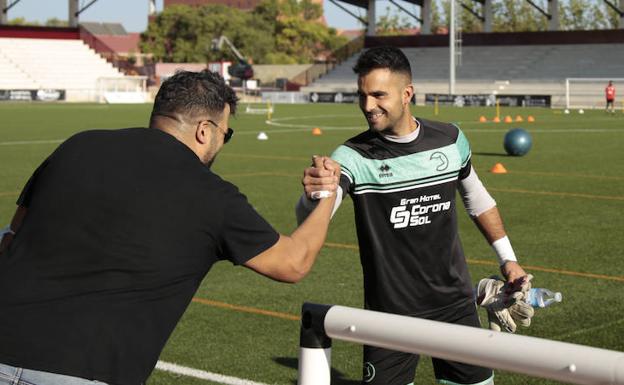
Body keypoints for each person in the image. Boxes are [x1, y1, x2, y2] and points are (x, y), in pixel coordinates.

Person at [0, 70, 339, 385]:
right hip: (84, 370)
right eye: (226, 133)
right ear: (204, 130)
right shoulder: (211, 195)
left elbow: (12, 236)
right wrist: (328, 194)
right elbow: (293, 262)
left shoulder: (77, 146)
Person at [296, 47, 531, 385]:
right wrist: (314, 195)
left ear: (407, 94)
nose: (367, 106)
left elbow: (477, 198)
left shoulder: (450, 139)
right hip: (389, 315)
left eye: (378, 95)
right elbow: (315, 218)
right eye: (361, 95)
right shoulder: (351, 156)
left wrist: (508, 259)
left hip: (455, 305)